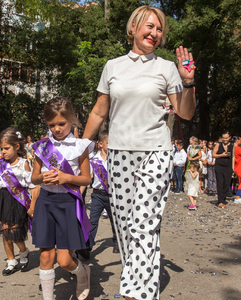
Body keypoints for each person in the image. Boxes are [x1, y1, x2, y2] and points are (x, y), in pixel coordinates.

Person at [82, 6, 196, 299]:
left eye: (159, 29)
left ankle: (137, 294)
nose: (154, 33)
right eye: (149, 27)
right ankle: (138, 283)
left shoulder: (167, 68)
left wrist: (188, 82)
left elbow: (184, 113)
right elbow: (99, 112)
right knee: (123, 227)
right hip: (119, 154)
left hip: (154, 152)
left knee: (142, 223)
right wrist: (79, 148)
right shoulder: (113, 66)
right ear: (133, 28)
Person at [31, 97, 94, 300]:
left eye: (61, 123)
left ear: (72, 121)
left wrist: (67, 177)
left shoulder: (80, 146)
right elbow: (34, 177)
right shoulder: (41, 146)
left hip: (68, 203)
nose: (57, 129)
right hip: (46, 202)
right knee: (45, 255)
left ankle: (83, 274)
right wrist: (42, 178)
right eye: (52, 125)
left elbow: (86, 178)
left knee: (65, 261)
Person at [0, 128, 38, 275]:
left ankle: (23, 252)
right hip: (4, 197)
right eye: (1, 148)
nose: (3, 152)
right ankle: (11, 260)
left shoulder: (24, 163)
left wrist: (33, 206)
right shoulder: (1, 164)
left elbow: (32, 186)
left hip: (18, 200)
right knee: (5, 231)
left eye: (6, 148)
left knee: (15, 230)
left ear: (17, 147)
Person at [88, 130, 118, 254]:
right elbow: (89, 177)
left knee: (115, 220)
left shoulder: (116, 159)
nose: (110, 146)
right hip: (97, 195)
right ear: (100, 144)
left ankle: (117, 241)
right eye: (108, 143)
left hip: (112, 195)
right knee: (93, 220)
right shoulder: (94, 160)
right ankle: (87, 246)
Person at [213, 131, 234, 208]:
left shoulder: (232, 145)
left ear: (229, 138)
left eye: (226, 138)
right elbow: (213, 155)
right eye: (223, 138)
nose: (224, 139)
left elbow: (233, 156)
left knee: (227, 183)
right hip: (219, 166)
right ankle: (220, 201)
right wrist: (222, 155)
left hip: (228, 166)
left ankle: (224, 197)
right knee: (220, 183)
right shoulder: (218, 145)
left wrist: (233, 167)